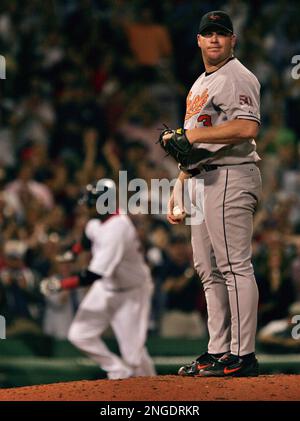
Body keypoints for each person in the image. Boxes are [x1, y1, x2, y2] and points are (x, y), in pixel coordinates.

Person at [165, 11, 262, 376]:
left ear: (233, 40)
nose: (215, 39)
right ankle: (219, 349)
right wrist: (179, 185)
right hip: (202, 178)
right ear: (199, 41)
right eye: (209, 34)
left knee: (234, 267)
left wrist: (191, 136)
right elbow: (191, 147)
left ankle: (243, 354)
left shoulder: (237, 76)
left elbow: (247, 126)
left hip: (230, 175)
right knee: (208, 269)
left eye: (222, 33)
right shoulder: (199, 83)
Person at [40, 180, 156, 379]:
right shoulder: (96, 220)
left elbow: (92, 275)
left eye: (92, 202)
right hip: (107, 287)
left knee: (134, 356)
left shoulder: (118, 228)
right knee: (79, 334)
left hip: (131, 292)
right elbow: (87, 238)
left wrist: (60, 284)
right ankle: (117, 369)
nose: (87, 206)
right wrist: (73, 254)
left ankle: (155, 389)